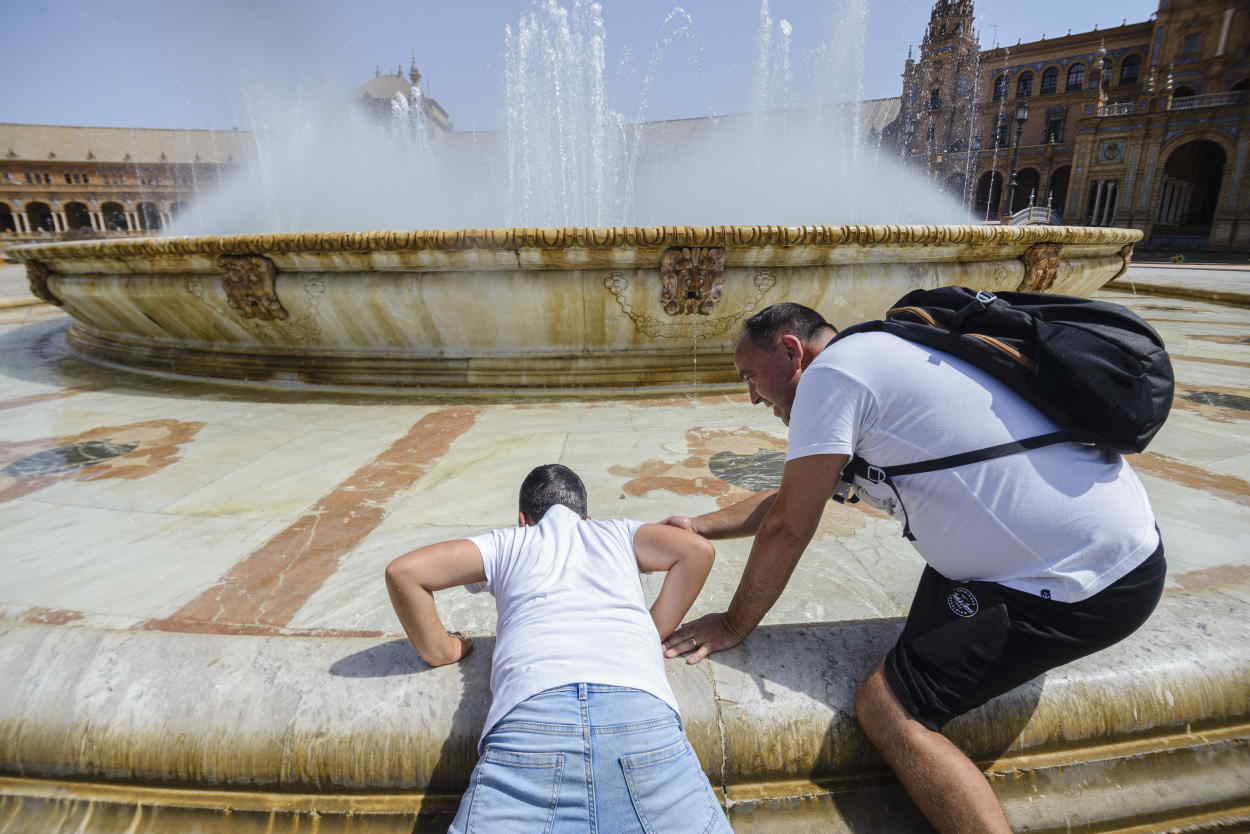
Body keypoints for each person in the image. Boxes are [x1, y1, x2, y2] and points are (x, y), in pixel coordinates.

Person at [659, 302, 1165, 833]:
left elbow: (790, 527)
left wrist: (734, 624)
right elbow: (796, 498)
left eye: (751, 377)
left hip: (1081, 581)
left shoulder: (833, 375)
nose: (752, 396)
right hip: (1079, 550)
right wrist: (699, 525)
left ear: (790, 351)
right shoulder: (878, 355)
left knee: (887, 707)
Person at [385, 463, 732, 834]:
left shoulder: (508, 542)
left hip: (531, 723)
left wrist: (444, 650)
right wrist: (652, 630)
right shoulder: (617, 533)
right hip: (641, 716)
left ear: (523, 520)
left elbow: (404, 572)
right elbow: (697, 551)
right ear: (587, 517)